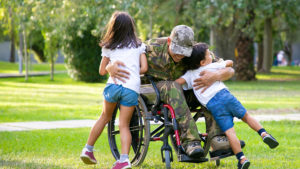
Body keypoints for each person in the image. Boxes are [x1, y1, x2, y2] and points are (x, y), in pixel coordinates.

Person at [106, 25, 238, 158]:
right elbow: (123, 57)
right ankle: (191, 142)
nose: (180, 55)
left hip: (185, 94)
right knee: (173, 86)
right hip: (154, 92)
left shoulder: (198, 52)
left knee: (210, 88)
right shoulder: (151, 48)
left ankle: (217, 138)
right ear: (169, 41)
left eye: (184, 51)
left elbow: (228, 69)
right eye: (177, 50)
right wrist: (110, 66)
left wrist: (215, 76)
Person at [175, 43, 279, 169]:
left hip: (214, 106)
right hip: (227, 97)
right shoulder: (212, 66)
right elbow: (229, 63)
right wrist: (221, 65)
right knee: (246, 116)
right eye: (209, 55)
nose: (211, 56)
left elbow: (177, 83)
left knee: (230, 133)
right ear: (202, 62)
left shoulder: (190, 75)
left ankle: (241, 158)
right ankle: (263, 134)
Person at [80, 11, 148, 169]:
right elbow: (144, 68)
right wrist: (132, 72)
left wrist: (111, 68)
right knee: (124, 124)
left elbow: (102, 71)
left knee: (104, 117)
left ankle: (88, 149)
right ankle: (124, 159)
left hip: (113, 86)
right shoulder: (139, 45)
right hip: (131, 88)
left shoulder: (109, 46)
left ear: (113, 27)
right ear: (131, 27)